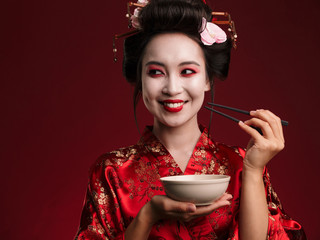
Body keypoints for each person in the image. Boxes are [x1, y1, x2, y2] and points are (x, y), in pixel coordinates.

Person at [74, 0, 306, 239]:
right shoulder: (111, 171)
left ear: (208, 79)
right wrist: (149, 215)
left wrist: (254, 170)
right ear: (140, 80)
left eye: (187, 71)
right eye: (155, 72)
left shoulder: (241, 165)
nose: (172, 88)